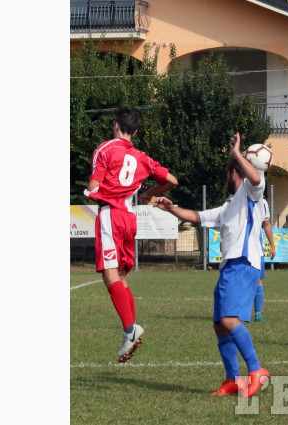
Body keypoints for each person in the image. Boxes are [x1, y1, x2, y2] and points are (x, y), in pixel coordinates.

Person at [154, 132, 270, 398]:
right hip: (229, 267)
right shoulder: (229, 206)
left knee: (229, 320)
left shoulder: (251, 191)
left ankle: (256, 370)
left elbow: (254, 177)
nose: (225, 179)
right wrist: (171, 208)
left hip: (243, 264)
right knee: (220, 323)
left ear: (235, 173)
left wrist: (237, 154)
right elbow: (196, 216)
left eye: (227, 174)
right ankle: (233, 380)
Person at [84, 107, 178, 363]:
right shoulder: (141, 156)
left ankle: (130, 329)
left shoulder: (104, 149)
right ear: (134, 132)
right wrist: (148, 194)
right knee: (122, 275)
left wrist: (93, 189)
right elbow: (172, 180)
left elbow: (94, 186)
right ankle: (130, 333)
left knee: (109, 273)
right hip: (129, 217)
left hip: (111, 215)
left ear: (116, 126)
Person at [254, 196, 276, 322]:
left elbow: (266, 224)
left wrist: (272, 245)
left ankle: (258, 314)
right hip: (239, 248)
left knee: (258, 280)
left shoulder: (262, 203)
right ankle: (236, 312)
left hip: (257, 249)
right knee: (238, 280)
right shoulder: (236, 200)